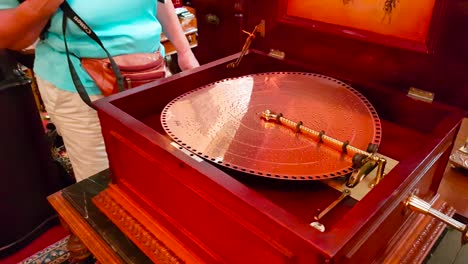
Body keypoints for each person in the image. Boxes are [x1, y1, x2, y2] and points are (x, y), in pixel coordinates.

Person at [0, 0, 200, 181]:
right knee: (103, 180)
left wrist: (184, 50)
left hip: (150, 73)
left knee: (158, 166)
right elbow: (8, 35)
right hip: (81, 88)